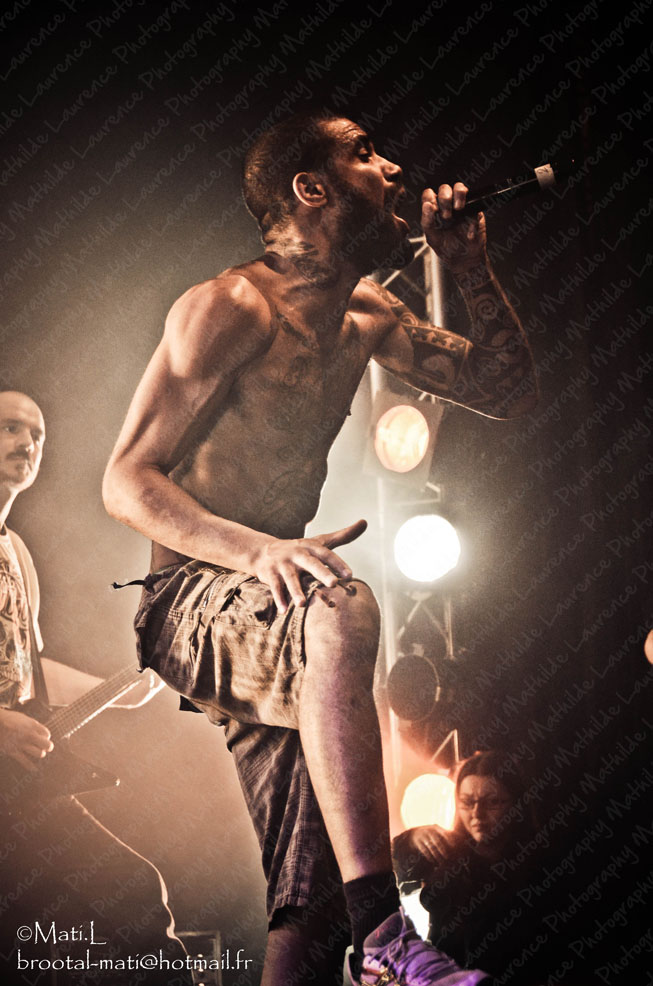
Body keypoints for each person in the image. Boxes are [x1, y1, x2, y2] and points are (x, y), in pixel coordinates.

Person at [102, 111, 538, 986]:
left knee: (306, 899)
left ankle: (352, 934)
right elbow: (126, 481)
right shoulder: (230, 306)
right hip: (192, 599)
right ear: (310, 188)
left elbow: (506, 389)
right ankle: (385, 937)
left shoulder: (368, 312)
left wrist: (469, 266)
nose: (394, 167)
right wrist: (259, 553)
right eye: (364, 153)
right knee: (341, 603)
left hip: (272, 607)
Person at [0, 390, 190, 986]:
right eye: (9, 428)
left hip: (17, 788)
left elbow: (25, 669)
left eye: (36, 435)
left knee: (124, 902)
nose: (26, 444)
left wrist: (125, 689)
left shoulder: (16, 553)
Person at [393, 751, 556, 984]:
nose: (477, 814)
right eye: (467, 803)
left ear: (516, 802)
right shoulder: (448, 852)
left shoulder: (541, 863)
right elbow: (390, 872)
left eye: (493, 802)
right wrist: (411, 839)